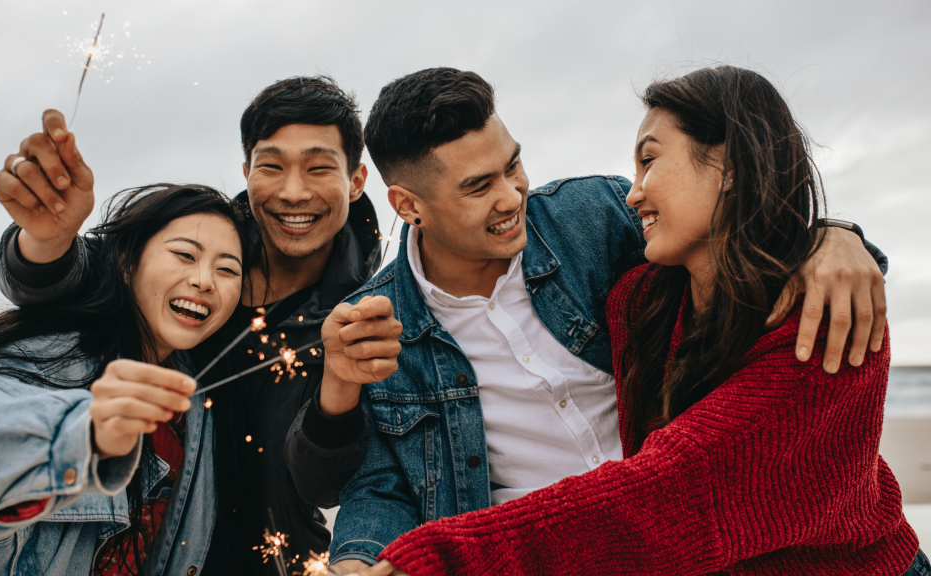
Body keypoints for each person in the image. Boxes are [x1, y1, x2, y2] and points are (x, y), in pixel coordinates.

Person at [307, 67, 893, 575]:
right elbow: (379, 483)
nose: (512, 196)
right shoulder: (381, 324)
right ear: (409, 206)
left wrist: (836, 237)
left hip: (627, 535)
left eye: (513, 166)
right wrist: (360, 560)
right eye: (479, 187)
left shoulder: (594, 219)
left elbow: (744, 239)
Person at [0, 77, 403, 574]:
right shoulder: (194, 247)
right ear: (247, 170)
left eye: (319, 169)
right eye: (272, 166)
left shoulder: (370, 315)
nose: (294, 192)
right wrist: (45, 238)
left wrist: (340, 382)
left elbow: (328, 482)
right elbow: (69, 279)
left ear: (357, 180)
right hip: (125, 546)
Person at [0, 183, 246, 575]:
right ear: (125, 262)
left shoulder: (196, 402)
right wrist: (78, 434)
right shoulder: (45, 361)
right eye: (184, 254)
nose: (205, 280)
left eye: (227, 269)